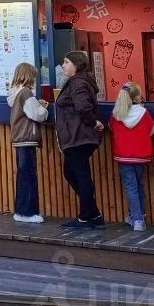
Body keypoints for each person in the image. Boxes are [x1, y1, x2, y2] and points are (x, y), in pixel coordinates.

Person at [55, 50, 105, 230]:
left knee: (80, 174)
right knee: (72, 172)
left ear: (76, 64)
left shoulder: (77, 82)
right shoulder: (80, 81)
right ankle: (94, 214)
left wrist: (94, 122)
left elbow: (83, 107)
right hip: (78, 136)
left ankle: (85, 217)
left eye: (66, 62)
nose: (63, 65)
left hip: (78, 135)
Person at [110, 81, 154, 232]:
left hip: (123, 155)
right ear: (137, 97)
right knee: (139, 184)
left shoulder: (116, 114)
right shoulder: (143, 112)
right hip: (140, 154)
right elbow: (152, 130)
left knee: (131, 187)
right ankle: (138, 216)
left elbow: (112, 128)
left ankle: (136, 219)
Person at [8, 62, 49, 224]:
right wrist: (44, 108)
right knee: (28, 176)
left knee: (23, 175)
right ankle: (27, 213)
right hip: (27, 137)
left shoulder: (15, 92)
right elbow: (37, 114)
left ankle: (21, 211)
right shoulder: (25, 93)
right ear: (29, 76)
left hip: (19, 138)